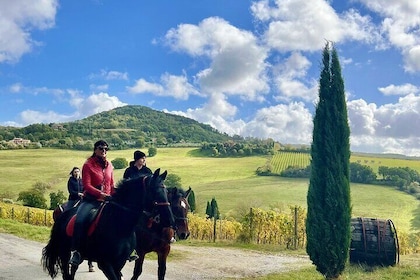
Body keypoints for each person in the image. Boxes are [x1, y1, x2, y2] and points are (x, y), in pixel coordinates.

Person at [69, 140, 115, 267]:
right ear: (95, 150)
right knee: (80, 220)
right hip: (91, 201)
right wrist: (101, 195)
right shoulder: (88, 165)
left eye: (106, 149)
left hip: (108, 201)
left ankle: (128, 248)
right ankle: (77, 252)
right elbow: (87, 186)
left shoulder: (110, 165)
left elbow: (111, 185)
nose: (104, 151)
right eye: (101, 148)